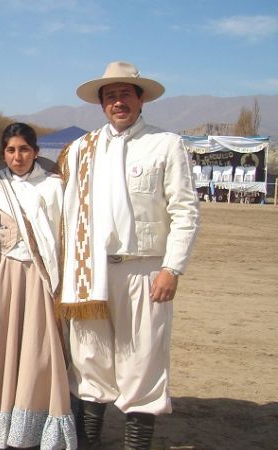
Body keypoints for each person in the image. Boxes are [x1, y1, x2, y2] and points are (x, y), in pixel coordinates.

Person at [59, 62, 200, 450]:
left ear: (140, 99)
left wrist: (172, 268)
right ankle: (88, 442)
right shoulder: (79, 151)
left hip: (144, 270)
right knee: (89, 359)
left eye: (125, 94)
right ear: (101, 104)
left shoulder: (166, 144)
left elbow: (184, 211)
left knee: (143, 361)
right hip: (91, 272)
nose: (117, 102)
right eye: (110, 96)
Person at [0, 123, 76, 450]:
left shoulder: (55, 187)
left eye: (24, 149)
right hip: (5, 279)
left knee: (40, 352)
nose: (18, 156)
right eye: (11, 150)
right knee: (1, 350)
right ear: (4, 153)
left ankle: (34, 427)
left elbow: (65, 239)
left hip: (43, 280)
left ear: (36, 152)